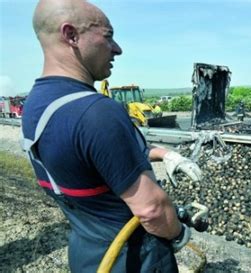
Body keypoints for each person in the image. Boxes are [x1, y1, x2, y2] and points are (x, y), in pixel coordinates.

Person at [21, 1, 202, 272]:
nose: (118, 48)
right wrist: (178, 234)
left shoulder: (36, 104)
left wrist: (166, 154)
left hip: (87, 252)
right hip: (134, 258)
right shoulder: (98, 113)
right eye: (108, 36)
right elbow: (151, 209)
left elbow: (95, 155)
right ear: (71, 35)